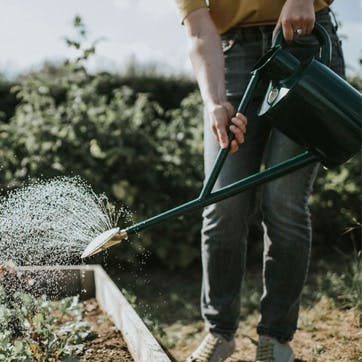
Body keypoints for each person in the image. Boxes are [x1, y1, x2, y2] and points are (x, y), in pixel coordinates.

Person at [175, 0, 345, 361]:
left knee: (282, 201)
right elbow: (199, 27)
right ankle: (219, 332)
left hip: (305, 42)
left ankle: (275, 338)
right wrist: (215, 103)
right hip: (233, 57)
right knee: (223, 204)